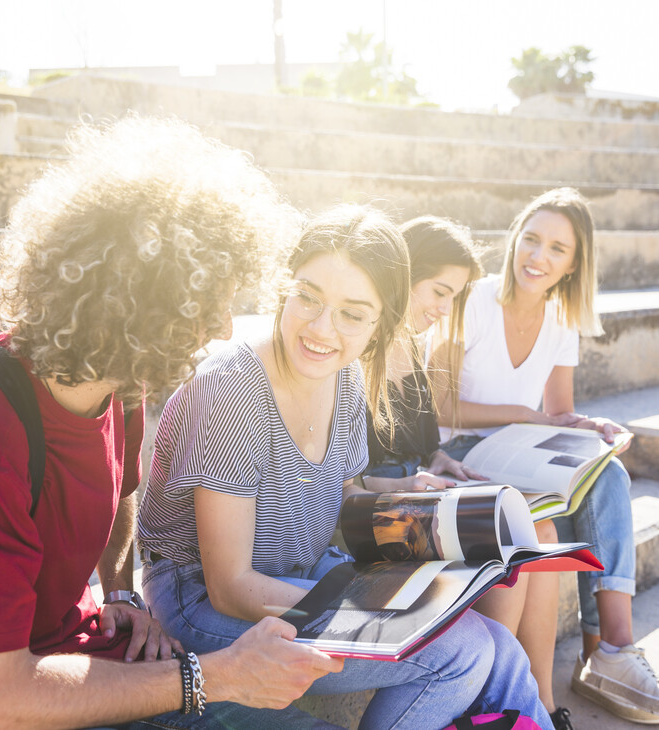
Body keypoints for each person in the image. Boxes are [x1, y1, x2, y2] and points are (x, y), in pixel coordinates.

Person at [0, 115, 347, 730]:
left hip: (93, 654)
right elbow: (2, 697)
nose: (223, 329)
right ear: (137, 300)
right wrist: (222, 675)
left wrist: (119, 592)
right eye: (208, 303)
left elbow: (122, 492)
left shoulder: (121, 378)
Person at [137, 204, 555, 730]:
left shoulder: (348, 376)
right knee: (462, 649)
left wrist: (449, 526)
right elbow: (232, 586)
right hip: (204, 605)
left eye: (353, 314)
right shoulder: (231, 389)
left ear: (381, 325)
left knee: (499, 644)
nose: (321, 328)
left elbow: (343, 498)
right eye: (308, 297)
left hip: (300, 570)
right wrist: (396, 610)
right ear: (283, 287)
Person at [436, 187, 659, 727]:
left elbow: (561, 411)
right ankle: (596, 652)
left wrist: (593, 429)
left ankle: (612, 648)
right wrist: (530, 416)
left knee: (605, 471)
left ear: (574, 263)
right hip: (459, 449)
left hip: (520, 447)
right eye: (531, 240)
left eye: (557, 249)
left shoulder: (562, 317)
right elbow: (441, 404)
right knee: (553, 523)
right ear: (514, 240)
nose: (538, 257)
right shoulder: (474, 299)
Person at [362, 215, 485, 493]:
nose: (446, 309)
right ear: (405, 273)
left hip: (419, 495)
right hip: (374, 512)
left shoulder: (411, 342)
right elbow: (331, 484)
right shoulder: (351, 351)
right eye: (440, 292)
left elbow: (426, 446)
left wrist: (439, 458)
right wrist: (403, 485)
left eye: (453, 297)